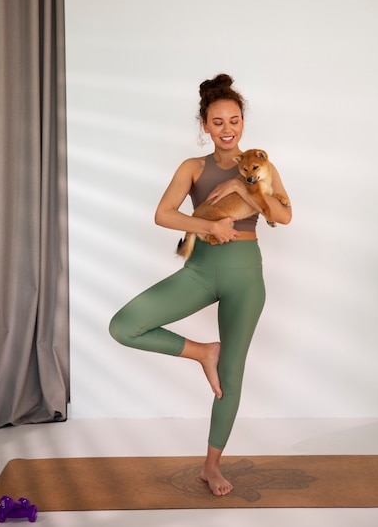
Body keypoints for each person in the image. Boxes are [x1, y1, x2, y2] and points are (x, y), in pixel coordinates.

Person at [109, 74, 292, 496]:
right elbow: (164, 214)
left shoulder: (261, 164)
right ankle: (201, 351)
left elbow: (283, 216)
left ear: (242, 122)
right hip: (200, 270)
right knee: (124, 326)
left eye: (234, 120)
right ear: (205, 126)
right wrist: (210, 223)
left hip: (246, 275)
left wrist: (243, 192)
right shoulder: (192, 168)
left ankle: (212, 467)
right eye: (217, 122)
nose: (227, 129)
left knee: (232, 374)